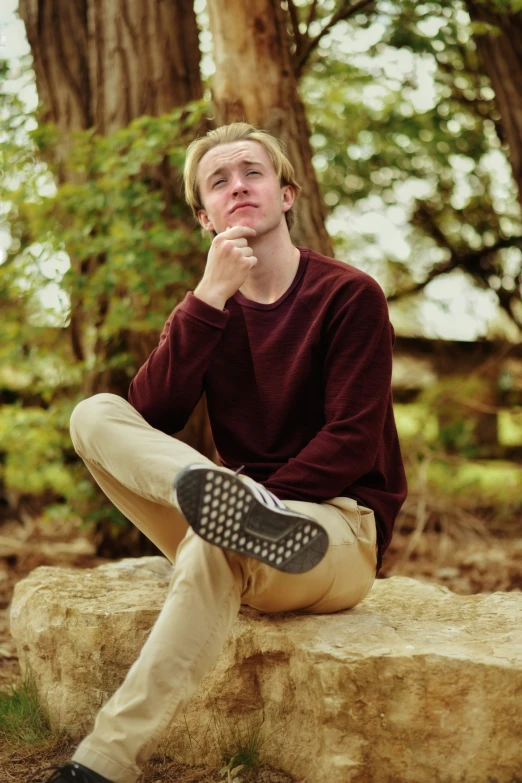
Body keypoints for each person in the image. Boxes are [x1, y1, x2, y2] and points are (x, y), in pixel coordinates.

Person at [38, 123, 407, 783]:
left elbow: (352, 440)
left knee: (218, 537)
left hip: (333, 530)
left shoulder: (349, 295)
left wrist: (265, 499)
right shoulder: (210, 308)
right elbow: (148, 417)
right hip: (235, 510)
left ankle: (102, 763)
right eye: (219, 179)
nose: (238, 184)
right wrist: (209, 299)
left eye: (252, 171)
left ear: (287, 194)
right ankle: (233, 507)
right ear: (204, 217)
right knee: (94, 413)